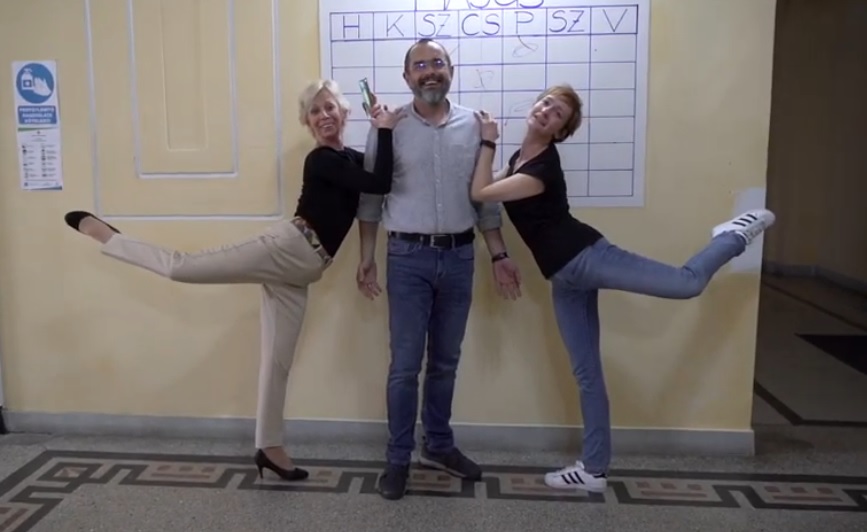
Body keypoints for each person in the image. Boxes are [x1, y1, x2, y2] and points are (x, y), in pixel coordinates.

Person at [62, 79, 404, 482]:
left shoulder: (349, 158)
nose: (323, 115)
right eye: (315, 111)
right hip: (287, 248)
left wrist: (383, 127)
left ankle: (269, 447)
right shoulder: (321, 160)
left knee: (277, 362)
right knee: (183, 267)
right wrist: (384, 130)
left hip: (305, 270)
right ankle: (111, 239)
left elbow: (382, 176)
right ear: (307, 123)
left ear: (344, 112)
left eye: (329, 107)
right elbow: (379, 183)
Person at [469, 83, 776, 493]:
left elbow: (480, 191)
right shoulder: (520, 159)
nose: (546, 111)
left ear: (561, 132)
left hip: (587, 257)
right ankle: (594, 471)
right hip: (564, 277)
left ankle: (733, 236)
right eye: (546, 103)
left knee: (686, 283)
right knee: (587, 374)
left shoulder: (540, 170)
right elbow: (486, 189)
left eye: (557, 114)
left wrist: (486, 141)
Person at [355, 38, 522, 500]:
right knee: (405, 366)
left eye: (438, 63)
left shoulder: (474, 125)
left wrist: (499, 254)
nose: (430, 71)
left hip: (460, 257)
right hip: (407, 258)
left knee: (446, 362)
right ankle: (397, 458)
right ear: (406, 76)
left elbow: (484, 199)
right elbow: (370, 198)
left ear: (451, 69)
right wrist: (366, 257)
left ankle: (439, 445)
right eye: (420, 65)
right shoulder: (388, 126)